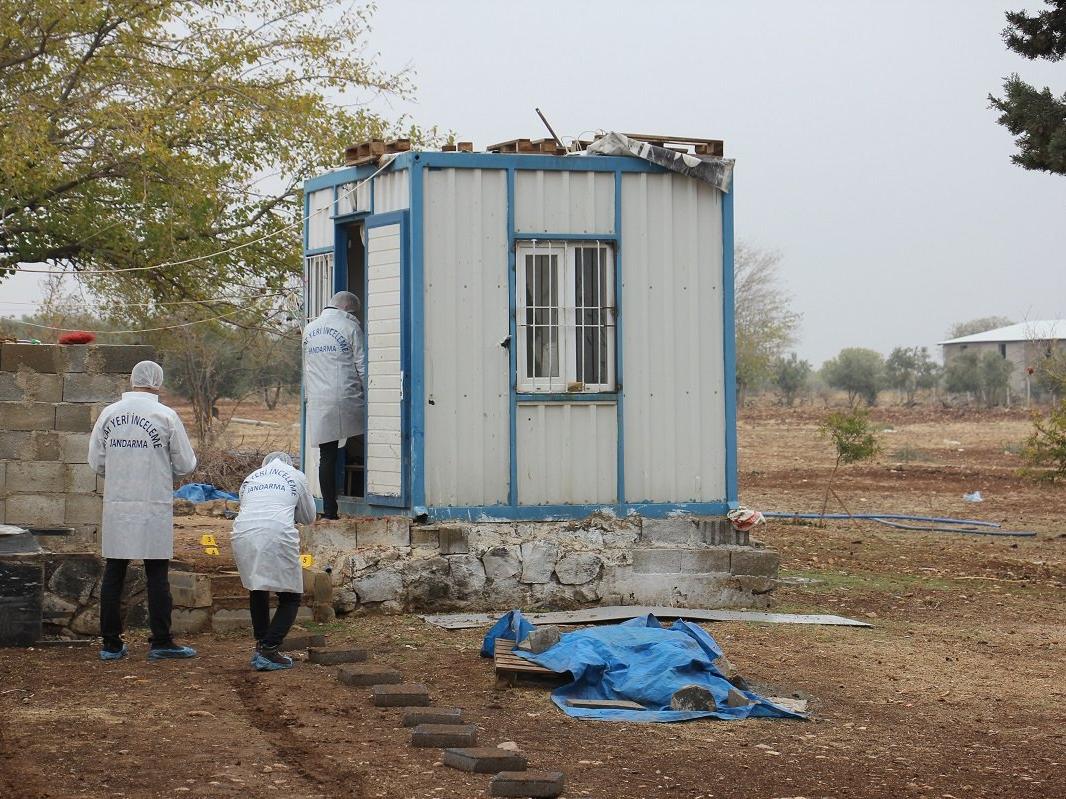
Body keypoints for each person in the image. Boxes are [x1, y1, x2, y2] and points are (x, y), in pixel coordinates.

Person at [88, 360, 198, 662]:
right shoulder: (165, 416)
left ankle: (111, 644)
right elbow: (186, 464)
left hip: (118, 504)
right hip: (153, 505)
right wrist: (164, 472)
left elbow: (96, 462)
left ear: (132, 380)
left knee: (114, 573)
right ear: (158, 383)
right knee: (157, 575)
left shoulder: (109, 414)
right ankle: (161, 641)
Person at [230, 452, 316, 671]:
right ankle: (269, 648)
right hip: (277, 532)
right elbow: (308, 517)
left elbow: (249, 507)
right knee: (291, 596)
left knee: (257, 587)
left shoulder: (251, 477)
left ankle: (261, 645)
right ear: (290, 463)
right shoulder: (296, 475)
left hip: (242, 533)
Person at [303, 290, 366, 519]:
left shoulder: (309, 330)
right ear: (347, 309)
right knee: (367, 441)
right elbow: (362, 364)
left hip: (319, 399)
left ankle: (330, 512)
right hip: (346, 396)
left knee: (327, 455)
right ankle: (371, 492)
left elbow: (307, 368)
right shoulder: (350, 327)